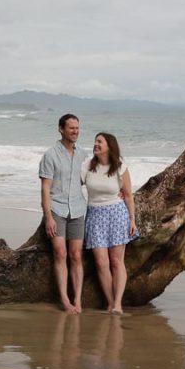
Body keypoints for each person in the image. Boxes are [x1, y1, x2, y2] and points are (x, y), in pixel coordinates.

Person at [81, 132, 138, 314]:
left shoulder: (120, 167)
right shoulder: (87, 165)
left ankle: (118, 304)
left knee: (116, 261)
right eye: (95, 141)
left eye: (100, 142)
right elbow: (73, 185)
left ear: (109, 146)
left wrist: (132, 220)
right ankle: (110, 302)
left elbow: (128, 195)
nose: (95, 144)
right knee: (101, 262)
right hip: (95, 215)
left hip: (117, 214)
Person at [39, 113, 88, 314]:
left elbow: (92, 179)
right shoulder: (50, 155)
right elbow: (45, 188)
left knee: (76, 255)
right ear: (61, 129)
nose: (75, 131)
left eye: (77, 128)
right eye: (71, 128)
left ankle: (78, 299)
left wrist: (118, 190)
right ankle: (65, 300)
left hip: (78, 209)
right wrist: (48, 217)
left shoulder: (83, 155)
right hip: (57, 209)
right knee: (60, 253)